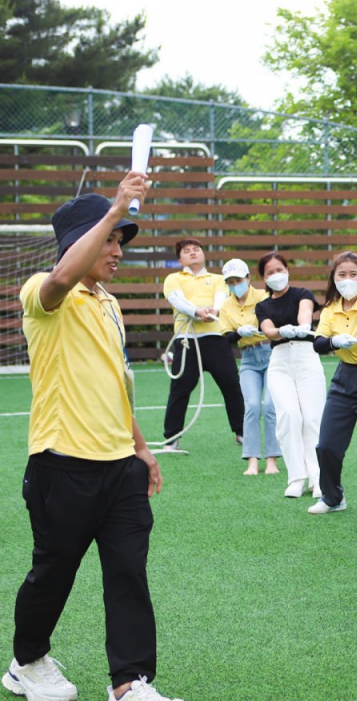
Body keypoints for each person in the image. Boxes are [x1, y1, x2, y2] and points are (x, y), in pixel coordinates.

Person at [5, 182, 183, 701]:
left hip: (120, 466)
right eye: (110, 240)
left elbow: (115, 381)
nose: (118, 252)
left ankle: (130, 682)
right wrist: (113, 210)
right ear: (82, 239)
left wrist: (142, 448)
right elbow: (61, 275)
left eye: (122, 242)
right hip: (62, 465)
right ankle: (27, 661)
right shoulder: (45, 291)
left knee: (129, 574)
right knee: (52, 574)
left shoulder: (108, 302)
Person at [308, 252, 357, 515]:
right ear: (333, 277)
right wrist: (335, 341)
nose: (347, 279)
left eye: (354, 274)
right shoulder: (330, 308)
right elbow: (319, 343)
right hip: (343, 379)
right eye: (342, 274)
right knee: (327, 445)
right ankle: (332, 497)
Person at [161, 238, 245, 450]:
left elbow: (221, 297)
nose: (192, 253)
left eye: (196, 249)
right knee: (179, 390)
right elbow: (176, 299)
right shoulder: (173, 278)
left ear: (203, 254)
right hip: (186, 341)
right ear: (180, 259)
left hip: (216, 338)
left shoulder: (218, 279)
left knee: (231, 385)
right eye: (187, 251)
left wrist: (214, 311)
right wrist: (197, 311)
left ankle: (242, 432)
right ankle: (172, 438)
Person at [255, 253, 325, 499]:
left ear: (287, 269)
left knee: (311, 418)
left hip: (306, 356)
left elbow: (305, 314)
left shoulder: (302, 294)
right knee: (288, 415)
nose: (275, 275)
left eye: (279, 269)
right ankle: (297, 477)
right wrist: (280, 331)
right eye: (269, 272)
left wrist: (302, 327)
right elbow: (269, 331)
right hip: (280, 362)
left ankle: (318, 479)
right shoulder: (263, 305)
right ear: (263, 278)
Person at [219, 258, 280, 476]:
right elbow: (226, 337)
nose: (235, 284)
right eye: (231, 281)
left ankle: (272, 460)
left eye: (238, 279)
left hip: (270, 353)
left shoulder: (263, 297)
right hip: (248, 358)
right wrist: (239, 333)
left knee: (271, 407)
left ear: (248, 278)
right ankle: (252, 461)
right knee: (252, 406)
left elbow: (273, 322)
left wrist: (255, 329)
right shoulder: (226, 305)